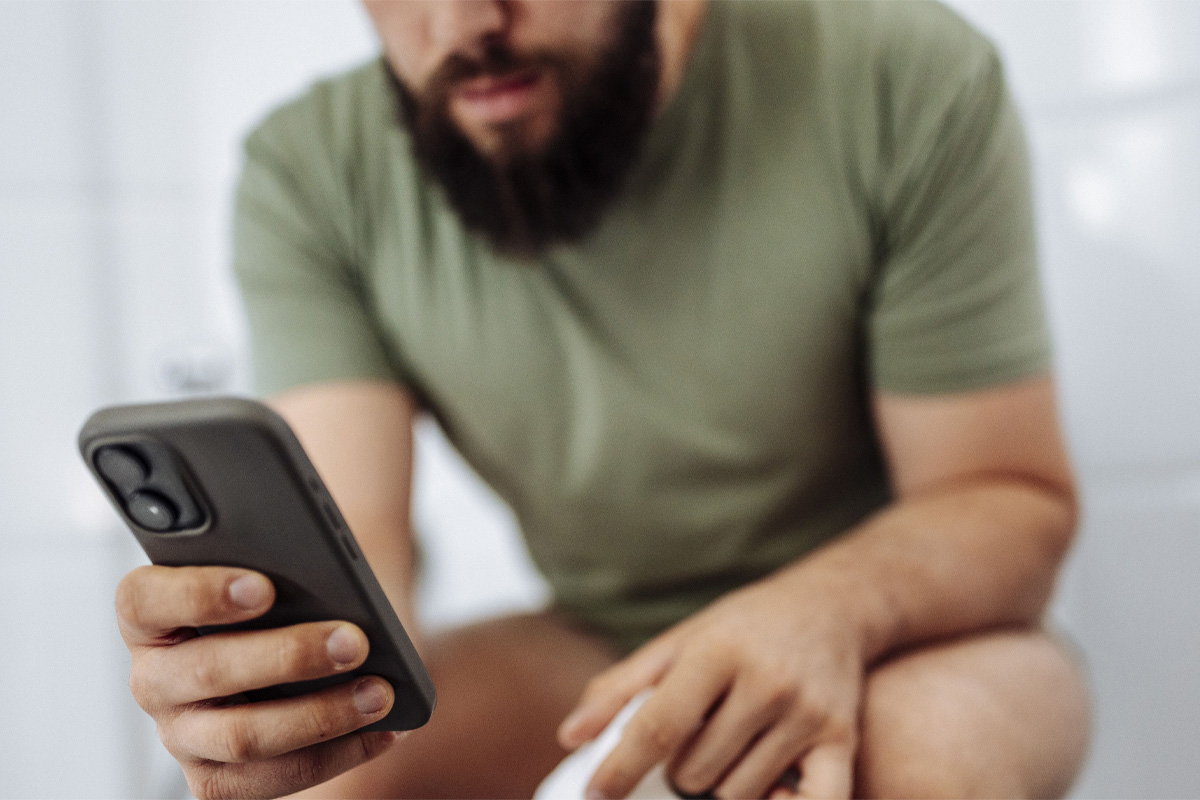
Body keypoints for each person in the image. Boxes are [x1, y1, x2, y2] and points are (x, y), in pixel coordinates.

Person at [113, 1, 1091, 797]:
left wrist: (826, 608)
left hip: (905, 634)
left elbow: (1004, 497)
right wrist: (272, 706)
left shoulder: (902, 73)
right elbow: (359, 555)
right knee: (325, 772)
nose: (461, 26)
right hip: (591, 644)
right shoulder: (311, 169)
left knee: (909, 766)